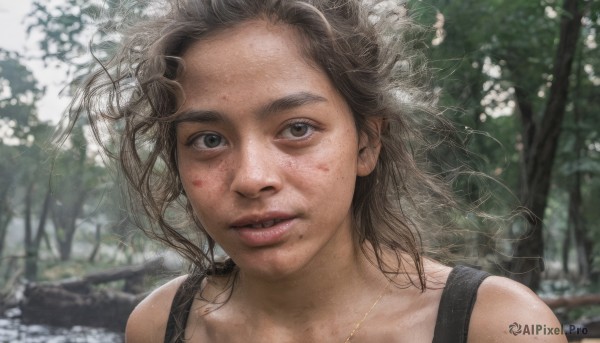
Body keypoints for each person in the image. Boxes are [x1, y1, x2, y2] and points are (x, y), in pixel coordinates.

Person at [71, 0, 566, 342]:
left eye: (297, 129)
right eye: (208, 140)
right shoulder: (159, 326)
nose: (251, 177)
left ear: (367, 142)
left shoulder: (495, 325)